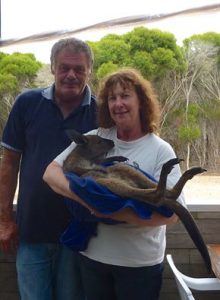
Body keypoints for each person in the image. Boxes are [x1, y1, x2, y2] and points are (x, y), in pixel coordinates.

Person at [43, 68, 185, 300]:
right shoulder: (96, 138)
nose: (118, 103)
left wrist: (117, 214)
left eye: (125, 95)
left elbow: (172, 214)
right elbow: (50, 173)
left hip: (139, 264)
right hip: (94, 259)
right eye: (112, 98)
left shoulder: (160, 149)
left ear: (141, 101)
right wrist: (89, 202)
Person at [0, 37, 97, 300]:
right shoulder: (27, 104)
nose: (71, 75)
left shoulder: (101, 112)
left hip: (80, 235)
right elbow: (8, 163)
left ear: (90, 70)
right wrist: (5, 219)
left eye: (79, 69)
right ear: (52, 67)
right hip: (31, 231)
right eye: (64, 67)